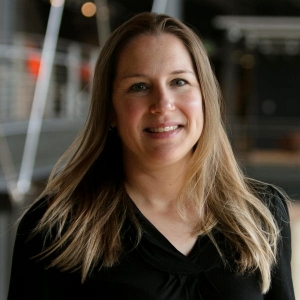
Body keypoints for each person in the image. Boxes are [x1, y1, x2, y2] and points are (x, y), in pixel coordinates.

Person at [8, 12, 295, 300]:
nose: (162, 104)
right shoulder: (55, 228)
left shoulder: (263, 213)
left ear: (205, 96)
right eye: (139, 87)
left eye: (179, 82)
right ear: (110, 110)